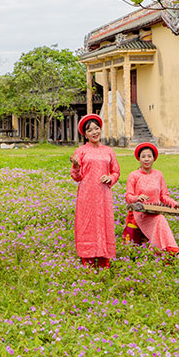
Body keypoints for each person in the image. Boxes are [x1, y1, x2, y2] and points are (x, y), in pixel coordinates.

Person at [70, 114, 120, 268]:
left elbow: (116, 172)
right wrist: (77, 166)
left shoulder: (108, 151)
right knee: (88, 223)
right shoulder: (81, 151)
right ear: (85, 134)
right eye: (90, 130)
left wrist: (110, 178)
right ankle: (88, 258)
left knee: (104, 222)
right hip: (87, 194)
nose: (94, 132)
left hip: (104, 194)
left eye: (96, 128)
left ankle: (104, 258)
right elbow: (76, 177)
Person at [123, 142, 179, 256]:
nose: (147, 159)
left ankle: (168, 251)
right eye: (143, 156)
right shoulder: (134, 175)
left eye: (149, 156)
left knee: (160, 218)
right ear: (139, 159)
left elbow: (164, 196)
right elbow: (128, 197)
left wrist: (176, 204)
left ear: (154, 158)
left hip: (155, 211)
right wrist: (137, 198)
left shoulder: (158, 175)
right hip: (140, 213)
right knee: (160, 219)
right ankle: (174, 252)